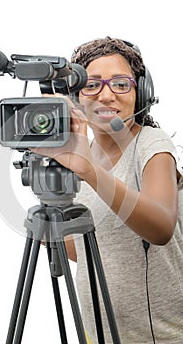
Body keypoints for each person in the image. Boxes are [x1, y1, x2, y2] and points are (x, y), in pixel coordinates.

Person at [33, 37, 183, 343]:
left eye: (120, 84)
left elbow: (161, 227)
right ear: (75, 96)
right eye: (92, 85)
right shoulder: (82, 153)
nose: (106, 95)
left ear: (141, 93)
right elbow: (95, 247)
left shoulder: (152, 145)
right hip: (97, 332)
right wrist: (52, 233)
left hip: (161, 336)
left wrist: (89, 170)